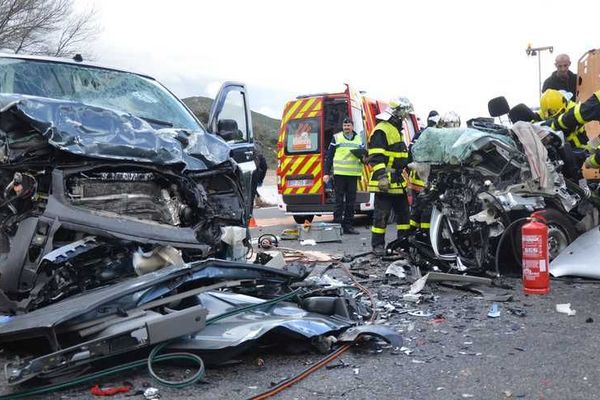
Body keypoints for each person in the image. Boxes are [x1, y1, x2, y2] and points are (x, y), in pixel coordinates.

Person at [367, 98, 413, 256]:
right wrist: (381, 177)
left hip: (398, 180)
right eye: (404, 114)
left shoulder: (396, 129)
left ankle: (403, 244)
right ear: (397, 113)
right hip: (385, 179)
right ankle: (377, 246)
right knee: (382, 215)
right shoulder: (382, 129)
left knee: (404, 216)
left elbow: (401, 155)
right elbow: (375, 155)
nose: (405, 118)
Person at [323, 117, 364, 234]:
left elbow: (362, 155)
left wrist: (365, 158)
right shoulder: (337, 137)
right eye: (345, 126)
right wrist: (326, 173)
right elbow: (329, 156)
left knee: (351, 201)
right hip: (340, 174)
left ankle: (348, 226)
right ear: (342, 126)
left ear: (352, 126)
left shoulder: (358, 139)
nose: (346, 127)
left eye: (349, 125)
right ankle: (337, 226)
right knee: (339, 201)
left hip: (353, 174)